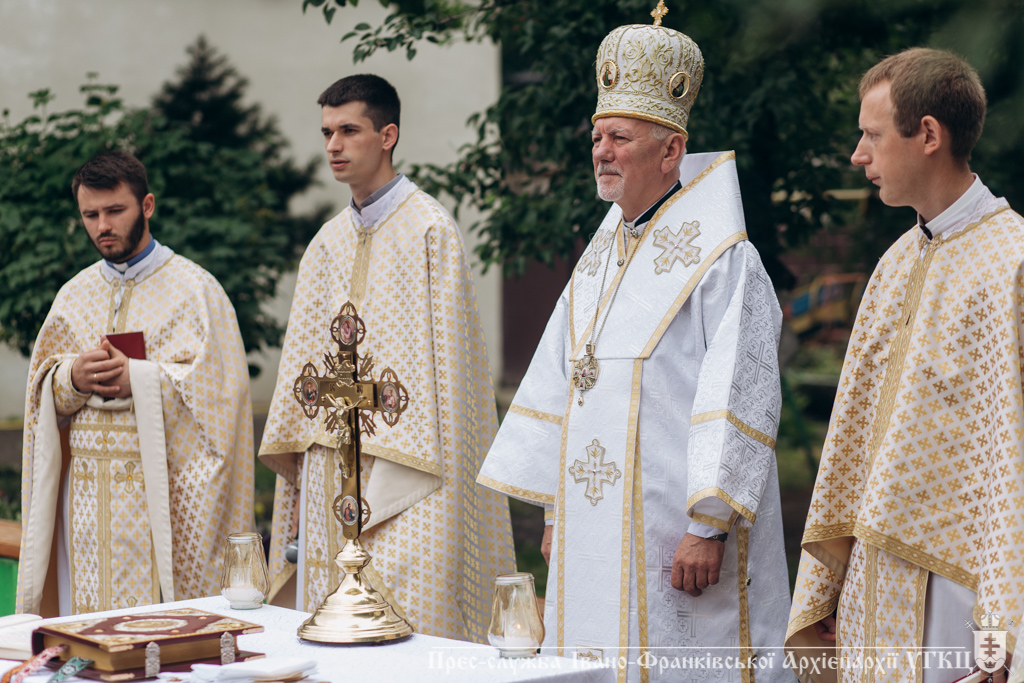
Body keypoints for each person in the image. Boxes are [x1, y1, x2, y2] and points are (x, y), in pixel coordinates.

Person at [477, 6, 793, 681]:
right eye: (597, 136)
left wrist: (708, 524)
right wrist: (557, 507)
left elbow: (741, 390)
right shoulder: (599, 254)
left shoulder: (725, 260)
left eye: (619, 137)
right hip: (593, 524)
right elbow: (567, 381)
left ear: (670, 150)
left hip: (675, 532)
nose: (601, 151)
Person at [786, 48, 1024, 683]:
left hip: (959, 588)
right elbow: (853, 437)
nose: (857, 156)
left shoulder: (1013, 264)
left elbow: (1014, 457)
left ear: (928, 135)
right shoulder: (894, 263)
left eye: (871, 135)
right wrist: (830, 583)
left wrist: (1002, 633)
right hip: (873, 575)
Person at [258, 74, 515, 642]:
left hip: (414, 471)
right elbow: (303, 371)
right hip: (332, 466)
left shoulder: (430, 231)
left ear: (388, 135)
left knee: (412, 621)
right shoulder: (325, 243)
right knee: (331, 631)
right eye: (327, 132)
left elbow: (453, 376)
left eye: (349, 130)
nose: (333, 145)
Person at [18, 150, 254, 616]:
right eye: (90, 215)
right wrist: (71, 378)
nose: (102, 225)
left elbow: (221, 400)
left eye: (114, 210)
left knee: (154, 631)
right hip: (86, 503)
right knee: (88, 625)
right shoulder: (73, 295)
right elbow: (42, 391)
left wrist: (141, 378)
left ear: (146, 206)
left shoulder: (196, 290)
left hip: (159, 500)